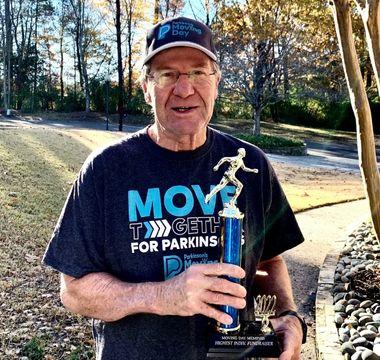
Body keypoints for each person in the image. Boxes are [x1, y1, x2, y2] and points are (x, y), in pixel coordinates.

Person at [43, 16, 306, 360]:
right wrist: (165, 296)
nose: (185, 89)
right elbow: (74, 291)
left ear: (216, 81)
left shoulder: (250, 165)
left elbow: (269, 261)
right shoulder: (106, 170)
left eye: (198, 71)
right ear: (146, 86)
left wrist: (286, 315)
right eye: (168, 74)